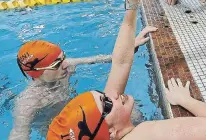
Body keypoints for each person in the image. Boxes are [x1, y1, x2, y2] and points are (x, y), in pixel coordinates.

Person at [46, 0, 206, 140]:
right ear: (111, 132)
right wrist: (185, 100)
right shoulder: (144, 135)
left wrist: (132, 5)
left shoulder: (106, 125)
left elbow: (120, 63)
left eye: (101, 94)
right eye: (106, 103)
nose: (111, 96)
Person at [9, 26, 157, 140]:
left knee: (132, 112)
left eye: (63, 58)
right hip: (70, 135)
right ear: (37, 73)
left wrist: (131, 47)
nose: (66, 64)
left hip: (85, 121)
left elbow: (106, 59)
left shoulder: (65, 68)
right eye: (57, 64)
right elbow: (18, 135)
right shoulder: (28, 103)